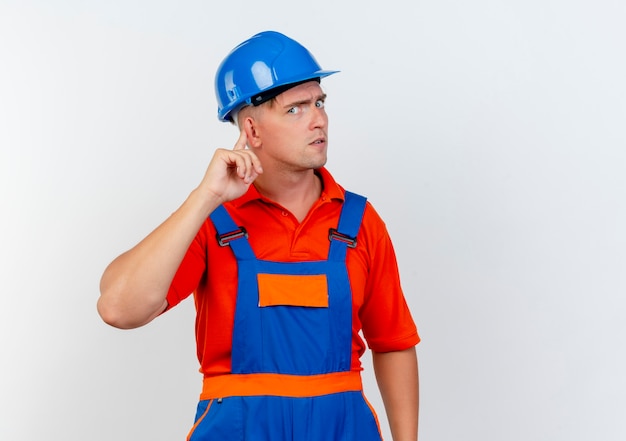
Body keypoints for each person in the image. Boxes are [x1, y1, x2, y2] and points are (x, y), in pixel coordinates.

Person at [98, 30, 420, 441]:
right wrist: (206, 198)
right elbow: (118, 309)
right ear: (251, 130)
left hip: (343, 427)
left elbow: (392, 342)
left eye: (319, 103)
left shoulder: (358, 222)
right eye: (296, 109)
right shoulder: (213, 222)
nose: (318, 118)